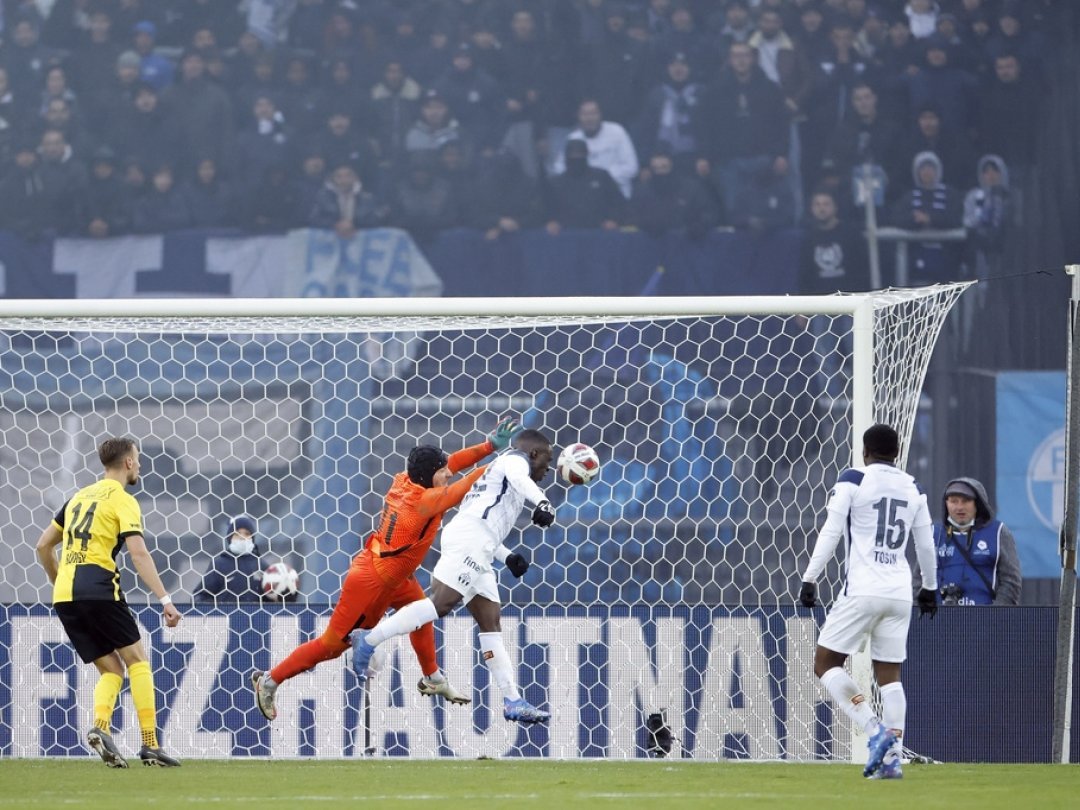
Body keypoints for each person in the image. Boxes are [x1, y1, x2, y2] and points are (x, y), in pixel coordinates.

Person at [251, 420, 525, 721]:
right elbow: (463, 486)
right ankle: (270, 680)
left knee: (423, 616)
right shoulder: (424, 503)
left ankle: (432, 677)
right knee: (331, 646)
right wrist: (501, 464)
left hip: (394, 575)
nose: (448, 473)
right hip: (373, 583)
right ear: (428, 475)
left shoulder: (406, 479)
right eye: (442, 471)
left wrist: (489, 447)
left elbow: (452, 464)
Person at [350, 428, 556, 725]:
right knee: (442, 603)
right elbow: (519, 480)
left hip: (478, 542)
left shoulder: (500, 478)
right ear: (533, 454)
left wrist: (506, 556)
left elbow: (484, 521)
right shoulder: (514, 460)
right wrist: (542, 503)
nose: (547, 469)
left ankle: (513, 700)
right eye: (546, 461)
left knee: (490, 620)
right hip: (470, 540)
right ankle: (369, 637)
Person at [798, 424, 938, 780]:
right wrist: (930, 588)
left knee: (825, 663)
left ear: (865, 451)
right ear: (896, 452)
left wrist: (810, 578)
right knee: (890, 677)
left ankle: (875, 731)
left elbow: (830, 531)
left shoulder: (853, 479)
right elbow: (925, 543)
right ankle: (892, 760)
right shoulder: (913, 488)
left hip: (862, 589)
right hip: (899, 593)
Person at [34, 437, 182, 768]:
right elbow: (139, 552)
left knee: (111, 669)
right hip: (99, 587)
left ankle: (100, 728)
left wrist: (60, 582)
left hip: (66, 596)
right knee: (138, 660)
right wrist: (165, 599)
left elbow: (43, 546)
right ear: (128, 462)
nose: (140, 466)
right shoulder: (123, 499)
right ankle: (150, 745)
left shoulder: (77, 497)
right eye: (138, 460)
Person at [932, 478, 1022, 606]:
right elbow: (919, 581)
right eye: (953, 501)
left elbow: (1011, 581)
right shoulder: (933, 533)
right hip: (941, 620)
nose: (959, 507)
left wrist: (995, 617)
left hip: (987, 621)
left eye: (966, 501)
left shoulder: (998, 532)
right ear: (946, 503)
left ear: (978, 503)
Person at [195, 515, 265, 602]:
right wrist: (217, 611)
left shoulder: (261, 565)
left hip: (257, 615)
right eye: (237, 533)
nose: (242, 537)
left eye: (247, 534)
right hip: (227, 614)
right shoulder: (219, 565)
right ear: (230, 538)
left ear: (252, 538)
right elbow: (200, 596)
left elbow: (272, 595)